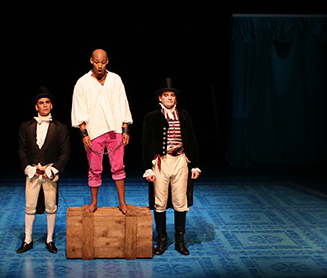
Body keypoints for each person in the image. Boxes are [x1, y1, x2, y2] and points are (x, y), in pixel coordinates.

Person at [141, 79, 200, 255]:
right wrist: (148, 167)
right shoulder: (152, 117)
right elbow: (145, 143)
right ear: (160, 98)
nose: (169, 98)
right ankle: (162, 239)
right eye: (166, 95)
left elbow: (191, 140)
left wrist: (195, 165)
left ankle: (180, 240)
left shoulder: (184, 116)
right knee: (159, 201)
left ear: (175, 98)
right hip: (161, 162)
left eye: (172, 95)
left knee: (180, 201)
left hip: (180, 160)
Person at [71, 48, 133, 214]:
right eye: (97, 62)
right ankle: (94, 201)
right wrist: (84, 133)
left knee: (118, 166)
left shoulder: (115, 79)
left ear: (107, 61)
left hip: (115, 129)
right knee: (94, 168)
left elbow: (123, 103)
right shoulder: (82, 82)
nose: (100, 66)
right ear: (91, 61)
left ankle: (122, 202)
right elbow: (79, 107)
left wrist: (125, 129)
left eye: (103, 62)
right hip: (94, 131)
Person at [17, 88, 71, 253]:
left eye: (47, 102)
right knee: (30, 206)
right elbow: (21, 149)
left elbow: (65, 151)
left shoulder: (60, 127)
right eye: (41, 103)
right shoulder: (26, 126)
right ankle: (27, 240)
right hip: (33, 172)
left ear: (51, 105)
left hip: (50, 172)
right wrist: (27, 167)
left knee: (51, 206)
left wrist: (54, 169)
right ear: (36, 107)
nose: (45, 105)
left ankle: (49, 240)